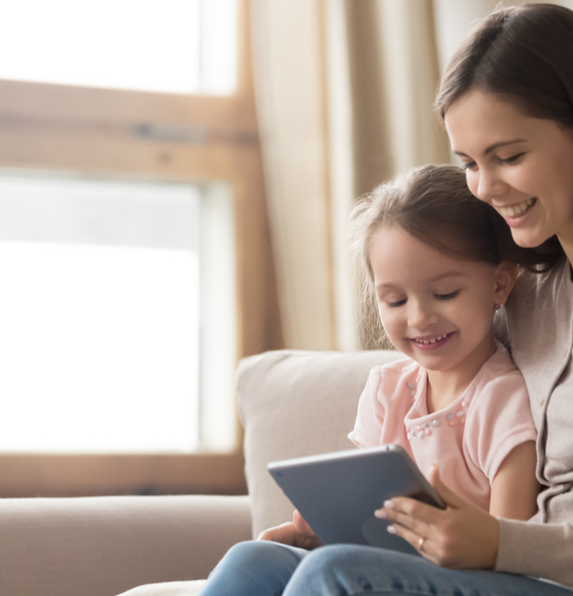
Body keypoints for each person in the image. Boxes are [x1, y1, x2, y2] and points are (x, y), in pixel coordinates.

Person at [214, 2, 573, 596]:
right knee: (259, 564)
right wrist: (351, 524)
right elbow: (446, 386)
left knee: (336, 576)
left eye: (509, 157)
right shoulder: (531, 296)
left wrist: (502, 543)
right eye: (471, 163)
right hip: (532, 581)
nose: (486, 187)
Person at [201, 163, 543, 595]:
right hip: (392, 571)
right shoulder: (387, 389)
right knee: (254, 559)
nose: (419, 317)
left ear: (498, 284)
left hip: (476, 581)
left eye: (445, 293)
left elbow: (513, 549)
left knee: (334, 568)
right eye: (396, 299)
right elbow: (364, 525)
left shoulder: (502, 399)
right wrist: (325, 535)